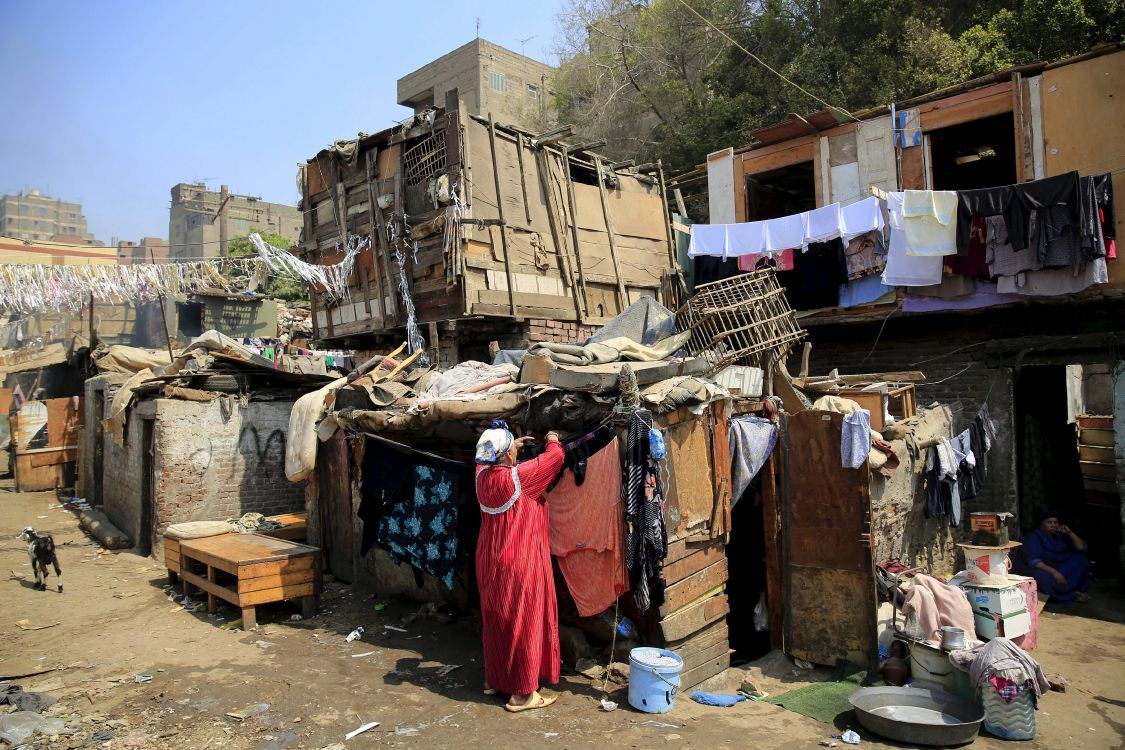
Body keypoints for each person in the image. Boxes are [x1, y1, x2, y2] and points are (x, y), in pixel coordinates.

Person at [474, 420, 566, 712]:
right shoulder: (518, 478)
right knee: (523, 622)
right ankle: (523, 694)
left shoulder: (480, 477)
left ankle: (495, 681)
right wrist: (552, 436)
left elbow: (492, 459)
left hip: (489, 559)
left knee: (497, 621)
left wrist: (511, 446)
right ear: (508, 455)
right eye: (511, 446)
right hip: (519, 559)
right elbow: (555, 458)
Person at [1019, 509, 1090, 603]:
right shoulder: (1033, 537)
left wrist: (1069, 533)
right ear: (1041, 524)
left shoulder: (1059, 535)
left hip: (1055, 566)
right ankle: (1070, 595)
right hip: (1037, 568)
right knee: (1046, 579)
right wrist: (1056, 573)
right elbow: (1034, 561)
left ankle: (1075, 591)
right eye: (1049, 522)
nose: (1053, 525)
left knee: (1080, 559)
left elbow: (1081, 548)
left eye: (1055, 522)